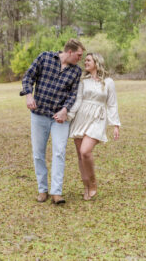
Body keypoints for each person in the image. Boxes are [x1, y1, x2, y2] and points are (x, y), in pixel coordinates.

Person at [20, 39, 85, 204]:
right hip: (39, 114)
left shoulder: (76, 71)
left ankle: (57, 192)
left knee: (59, 152)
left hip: (59, 119)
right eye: (79, 55)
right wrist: (28, 95)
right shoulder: (45, 57)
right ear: (69, 52)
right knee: (38, 154)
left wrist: (65, 110)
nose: (80, 59)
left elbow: (73, 94)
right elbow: (28, 77)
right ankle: (42, 190)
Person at [67, 53, 121, 200]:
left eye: (88, 60)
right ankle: (85, 186)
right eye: (85, 60)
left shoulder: (108, 82)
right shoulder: (82, 81)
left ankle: (93, 182)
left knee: (85, 151)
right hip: (81, 117)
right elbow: (77, 101)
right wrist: (68, 116)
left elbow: (112, 103)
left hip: (98, 117)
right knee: (80, 155)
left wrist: (115, 124)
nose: (85, 62)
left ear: (97, 63)